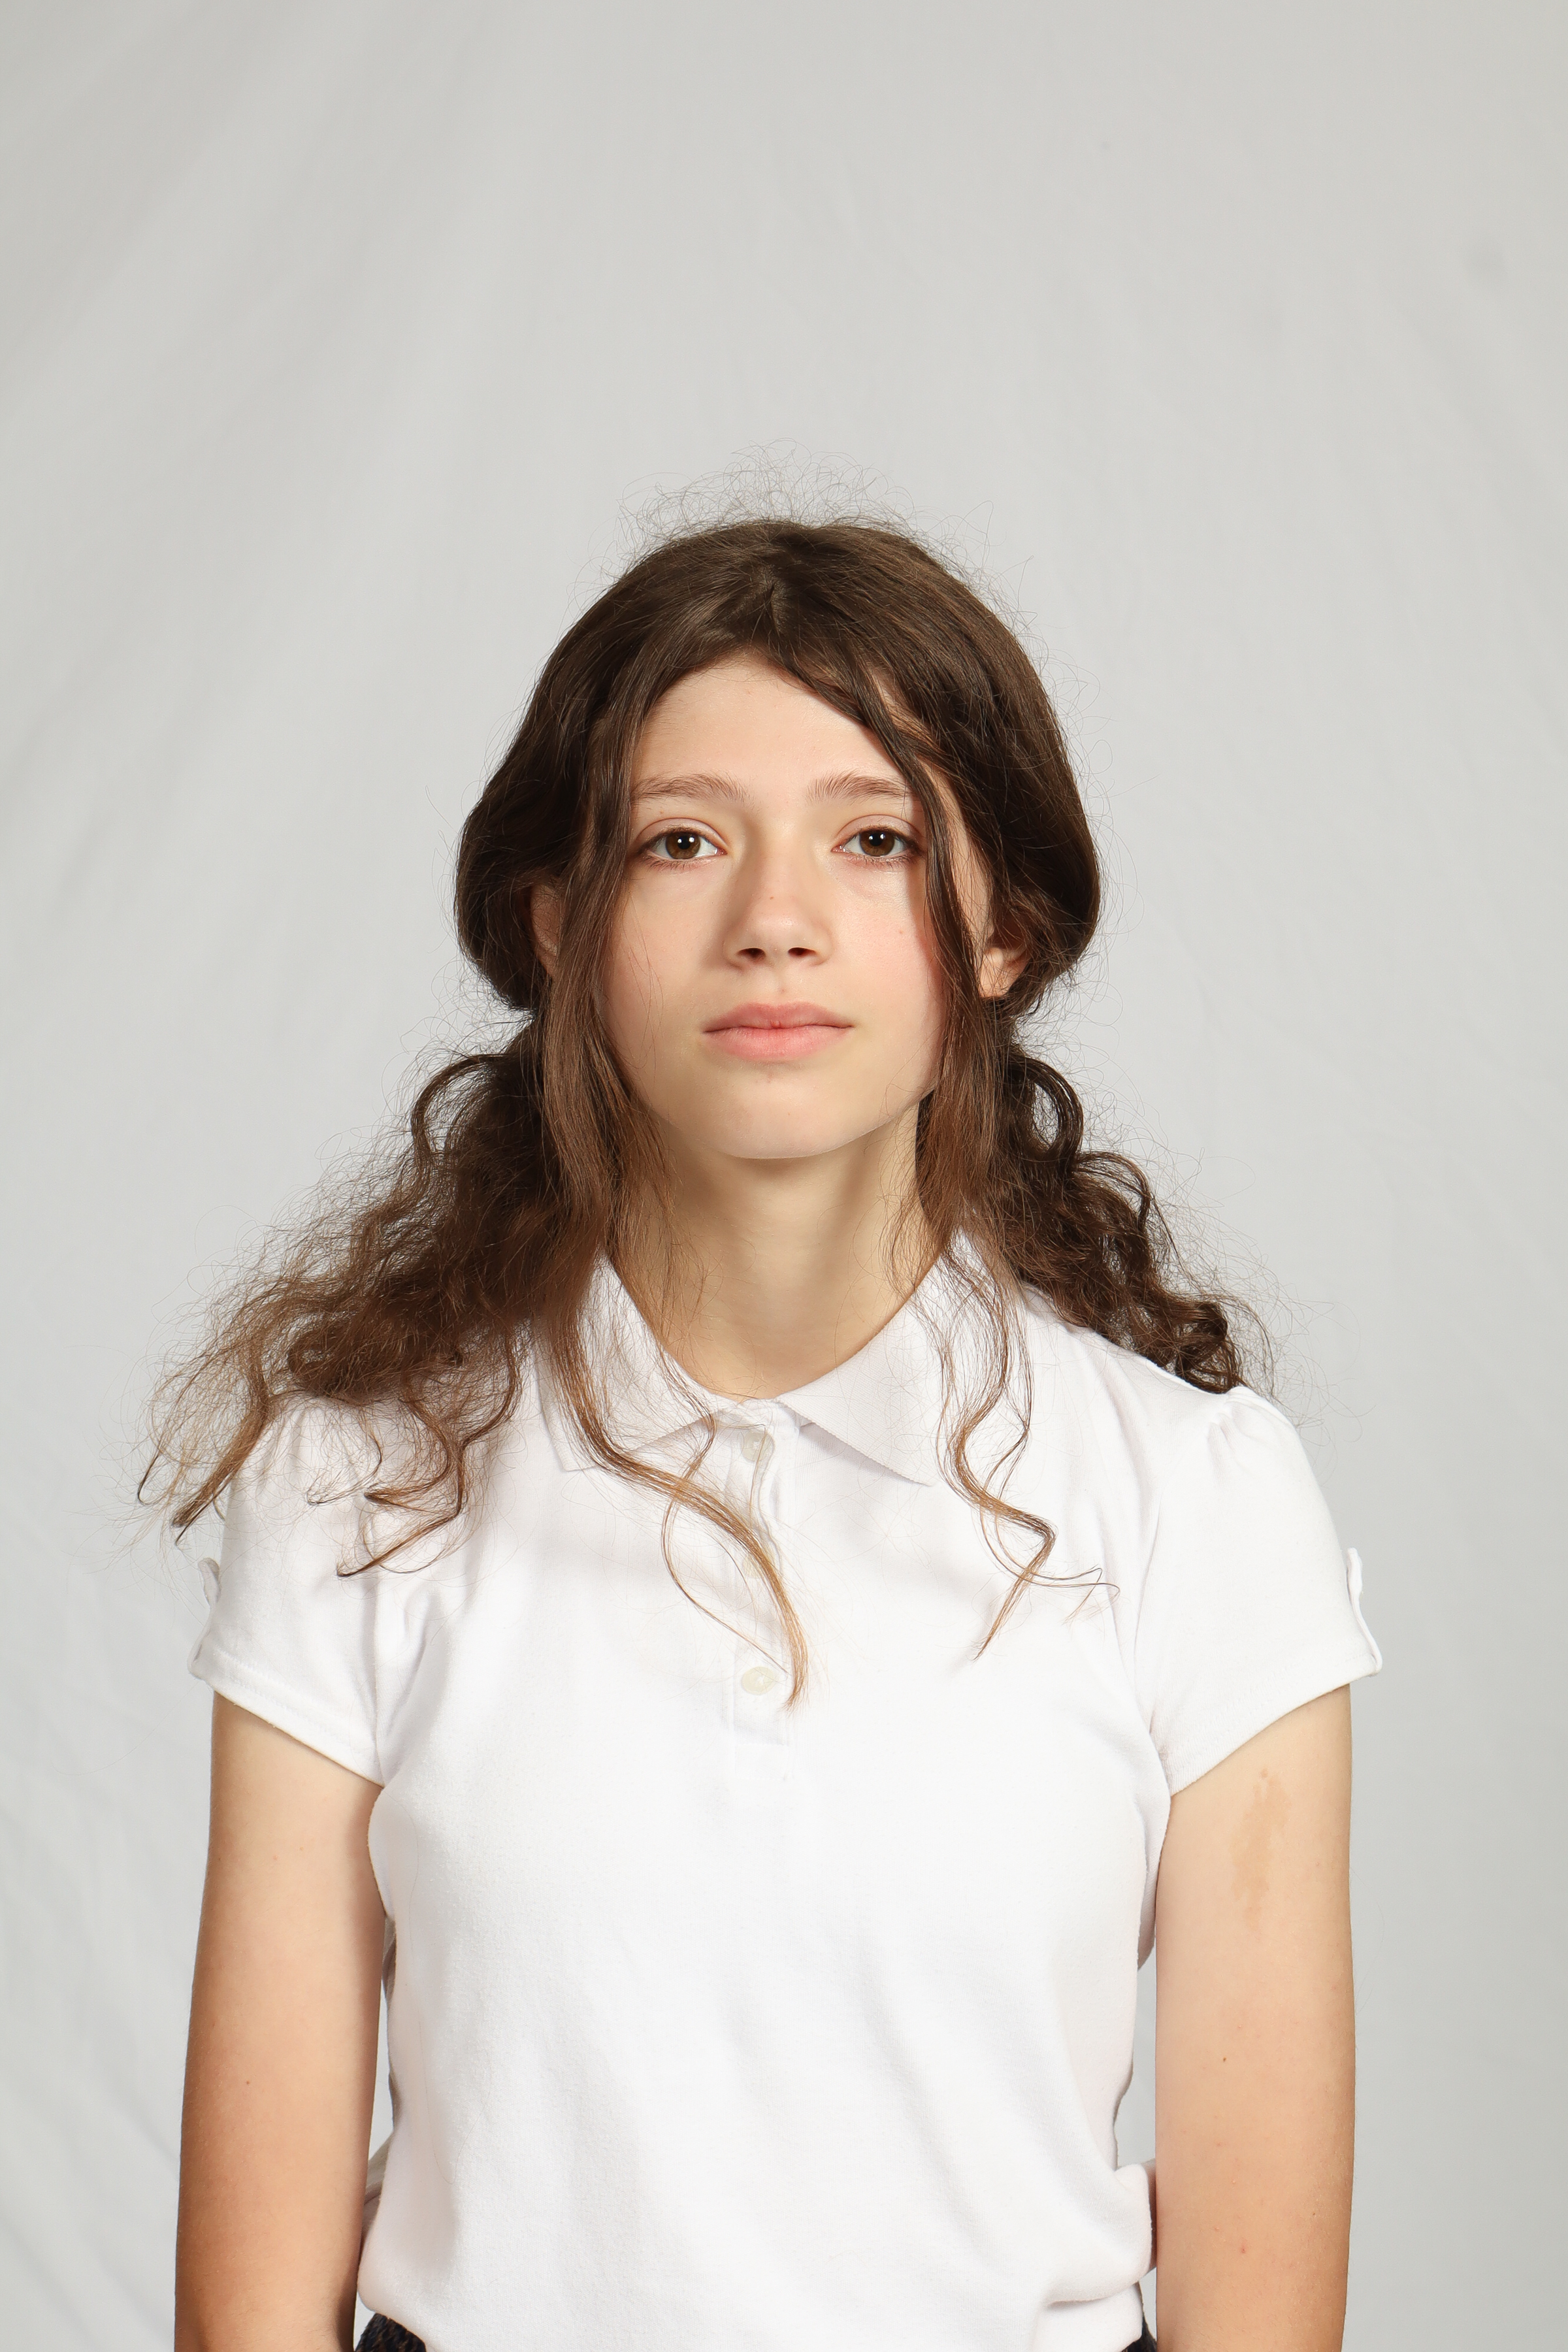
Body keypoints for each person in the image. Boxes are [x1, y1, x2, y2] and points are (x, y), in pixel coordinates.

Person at [155, 515, 1380, 2352]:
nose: (774, 919)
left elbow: (1261, 2308)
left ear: (1002, 929)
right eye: (682, 840)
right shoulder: (356, 1485)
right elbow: (248, 2307)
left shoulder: (1203, 1501)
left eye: (875, 839)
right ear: (561, 929)